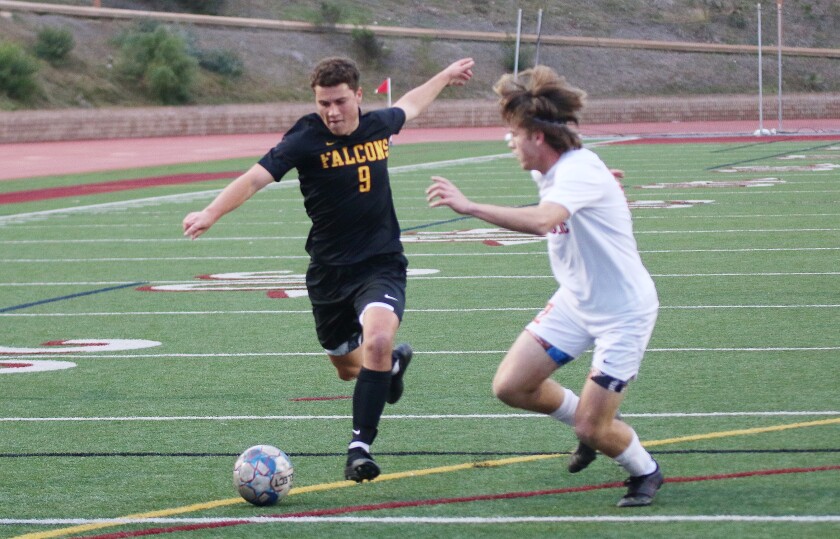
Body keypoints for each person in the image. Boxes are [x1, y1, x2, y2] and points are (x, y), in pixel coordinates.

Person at [183, 56, 475, 482]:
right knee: (348, 367)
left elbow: (412, 103)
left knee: (376, 338)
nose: (332, 112)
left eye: (340, 101)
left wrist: (446, 77)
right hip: (329, 274)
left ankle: (360, 448)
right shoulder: (305, 138)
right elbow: (252, 179)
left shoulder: (379, 125)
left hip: (381, 263)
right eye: (324, 103)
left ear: (358, 95)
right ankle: (390, 368)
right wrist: (211, 211)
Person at [425, 65, 663, 507]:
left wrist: (469, 206)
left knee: (595, 428)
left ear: (537, 136)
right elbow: (578, 184)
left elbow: (542, 221)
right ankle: (588, 423)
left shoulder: (576, 170)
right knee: (512, 387)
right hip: (575, 302)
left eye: (514, 133)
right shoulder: (554, 170)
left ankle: (644, 469)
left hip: (623, 314)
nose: (509, 142)